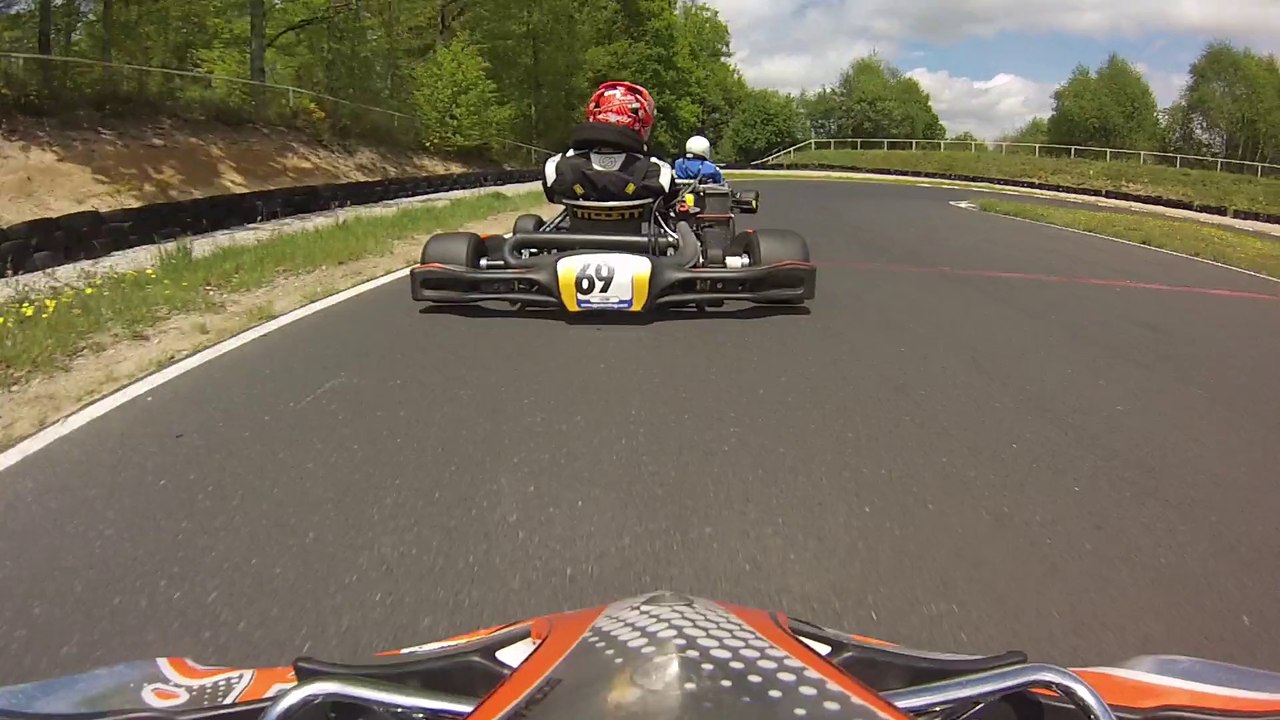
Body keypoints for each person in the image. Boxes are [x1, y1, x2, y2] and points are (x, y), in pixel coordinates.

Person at [542, 81, 676, 206]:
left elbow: (553, 196)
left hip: (579, 227)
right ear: (641, 119)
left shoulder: (558, 167)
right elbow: (669, 200)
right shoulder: (656, 173)